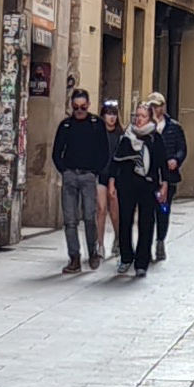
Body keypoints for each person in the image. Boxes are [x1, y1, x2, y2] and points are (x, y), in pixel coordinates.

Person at [48, 95, 109, 272]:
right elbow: (57, 151)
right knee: (70, 219)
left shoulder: (96, 124)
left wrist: (94, 172)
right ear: (71, 106)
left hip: (88, 175)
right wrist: (64, 171)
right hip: (70, 175)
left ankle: (92, 251)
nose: (80, 111)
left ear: (88, 105)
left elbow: (104, 151)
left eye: (83, 107)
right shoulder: (66, 125)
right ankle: (74, 257)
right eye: (76, 107)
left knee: (90, 217)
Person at [108, 105, 158, 273]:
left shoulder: (154, 138)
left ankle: (142, 262)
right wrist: (112, 182)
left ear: (149, 118)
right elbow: (116, 161)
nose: (139, 119)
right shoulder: (126, 137)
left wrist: (164, 184)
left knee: (146, 222)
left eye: (143, 116)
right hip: (127, 184)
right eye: (137, 116)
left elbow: (161, 162)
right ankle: (126, 256)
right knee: (125, 221)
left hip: (148, 185)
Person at [145, 100, 188, 259]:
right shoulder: (145, 127)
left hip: (168, 177)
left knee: (163, 211)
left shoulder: (174, 127)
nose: (154, 109)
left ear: (163, 107)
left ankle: (160, 241)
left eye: (157, 106)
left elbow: (182, 148)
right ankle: (146, 246)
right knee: (148, 213)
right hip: (149, 177)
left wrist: (176, 160)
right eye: (152, 107)